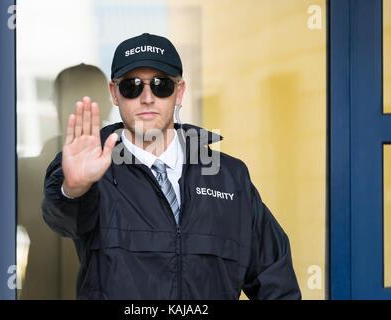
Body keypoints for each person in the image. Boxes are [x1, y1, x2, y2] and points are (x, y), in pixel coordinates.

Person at [41, 33, 301, 300]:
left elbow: (276, 281)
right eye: (132, 86)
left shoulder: (230, 178)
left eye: (160, 84)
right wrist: (73, 189)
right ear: (114, 93)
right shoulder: (91, 169)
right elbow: (63, 220)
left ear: (179, 92)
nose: (147, 97)